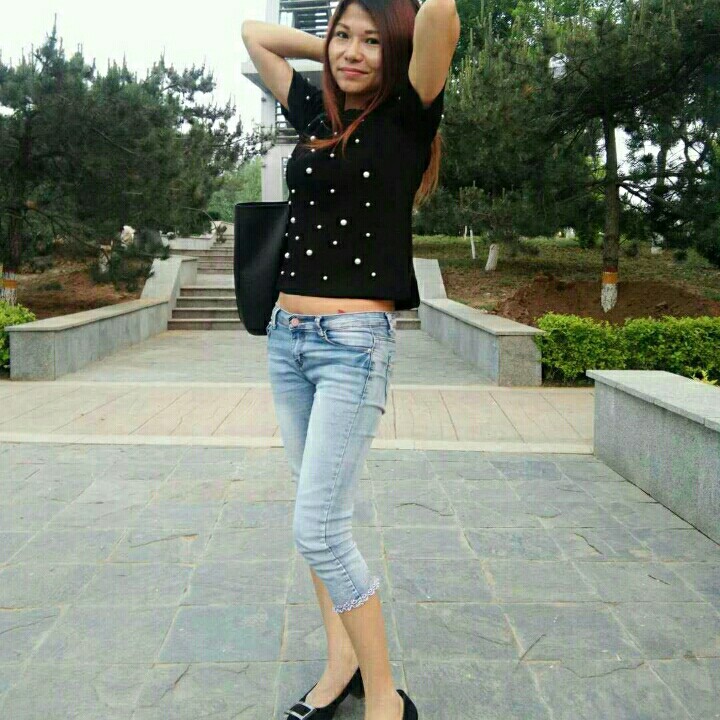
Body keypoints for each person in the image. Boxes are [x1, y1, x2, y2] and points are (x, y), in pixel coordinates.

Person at [241, 1, 460, 718]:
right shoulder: (319, 114)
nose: (352, 51)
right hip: (287, 342)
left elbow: (441, 16)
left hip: (353, 349)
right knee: (318, 518)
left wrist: (388, 47)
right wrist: (330, 51)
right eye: (344, 36)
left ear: (395, 51)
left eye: (371, 41)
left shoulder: (407, 116)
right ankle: (341, 662)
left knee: (318, 528)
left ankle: (386, 698)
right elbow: (254, 36)